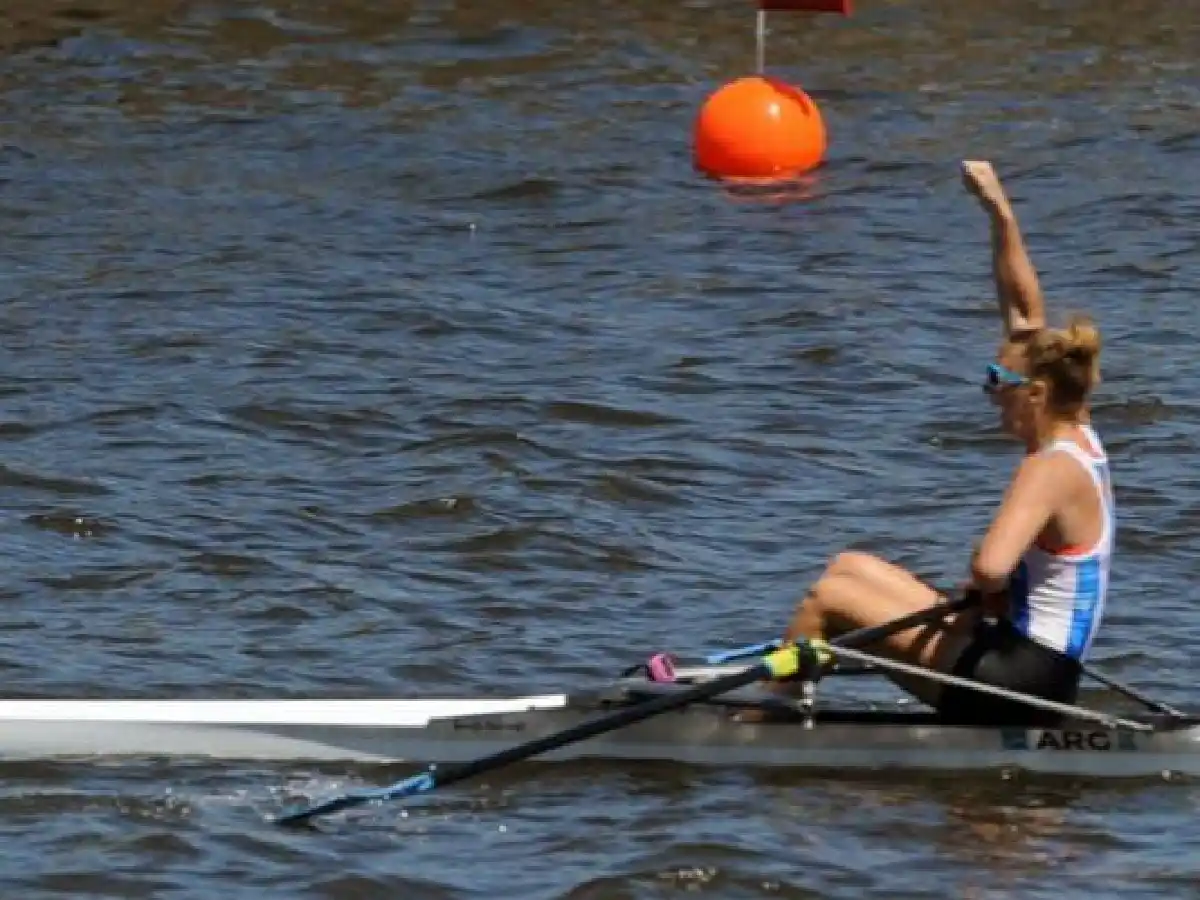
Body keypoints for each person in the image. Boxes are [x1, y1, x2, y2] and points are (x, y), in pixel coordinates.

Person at [778, 161, 1115, 725]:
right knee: (848, 568)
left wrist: (987, 590)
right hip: (1030, 657)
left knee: (828, 601)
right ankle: (796, 690)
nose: (989, 396)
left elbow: (989, 568)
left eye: (996, 385)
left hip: (1020, 681)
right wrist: (998, 211)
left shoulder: (1050, 468)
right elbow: (1027, 311)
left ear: (1033, 394)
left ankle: (773, 718)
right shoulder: (1078, 429)